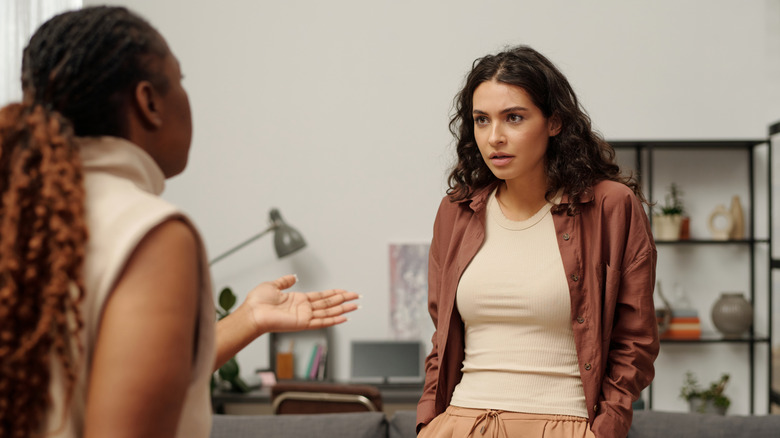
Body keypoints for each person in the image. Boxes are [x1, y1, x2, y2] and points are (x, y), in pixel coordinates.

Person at [0, 6, 358, 438]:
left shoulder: (24, 214)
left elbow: (128, 378)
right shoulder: (153, 234)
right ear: (148, 101)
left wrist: (250, 318)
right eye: (181, 81)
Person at [416, 45, 659, 438]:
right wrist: (429, 420)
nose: (494, 137)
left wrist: (604, 429)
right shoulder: (456, 211)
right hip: (460, 422)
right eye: (481, 120)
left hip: (563, 423)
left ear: (554, 122)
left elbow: (636, 340)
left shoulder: (611, 206)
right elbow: (440, 340)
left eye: (514, 118)